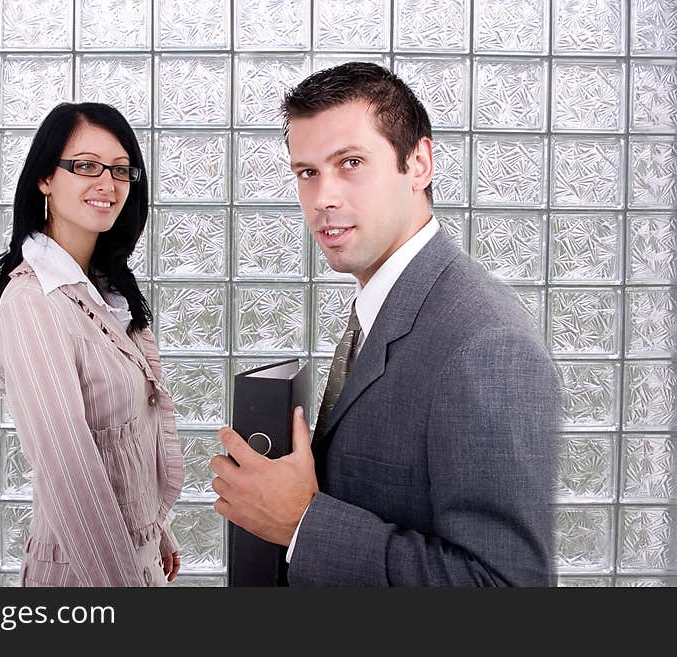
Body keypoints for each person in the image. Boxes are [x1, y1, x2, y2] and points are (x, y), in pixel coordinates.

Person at [210, 63, 560, 586]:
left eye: (350, 162)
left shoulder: (488, 344)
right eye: (307, 172)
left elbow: (507, 587)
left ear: (418, 163)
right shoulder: (386, 304)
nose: (324, 197)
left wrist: (303, 524)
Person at [0, 102, 184, 587]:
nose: (108, 183)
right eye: (85, 166)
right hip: (84, 576)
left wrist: (153, 531)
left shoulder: (105, 292)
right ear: (45, 179)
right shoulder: (35, 302)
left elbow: (123, 437)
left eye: (121, 170)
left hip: (128, 560)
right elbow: (70, 477)